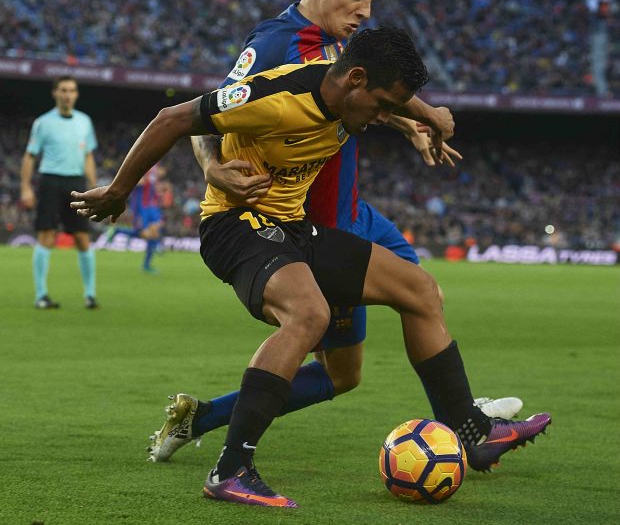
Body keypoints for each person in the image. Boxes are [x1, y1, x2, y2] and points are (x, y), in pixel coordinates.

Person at [71, 26, 551, 508]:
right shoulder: (275, 97)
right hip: (236, 225)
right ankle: (231, 469)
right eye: (383, 104)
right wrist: (118, 192)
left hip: (294, 228)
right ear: (355, 79)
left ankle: (471, 435)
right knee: (309, 314)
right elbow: (171, 118)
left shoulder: (350, 91)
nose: (385, 116)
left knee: (420, 290)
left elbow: (391, 102)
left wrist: (427, 115)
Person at [145, 0, 521, 463]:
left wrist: (410, 120)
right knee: (342, 374)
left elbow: (360, 92)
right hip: (313, 224)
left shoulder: (344, 45)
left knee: (421, 296)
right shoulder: (276, 44)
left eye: (371, 1)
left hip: (355, 212)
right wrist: (213, 169)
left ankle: (465, 424)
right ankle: (209, 423)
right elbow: (202, 115)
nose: (364, 12)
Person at [20, 75, 99, 309]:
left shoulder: (85, 121)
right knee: (46, 236)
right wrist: (25, 187)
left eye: (71, 90)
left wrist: (94, 187)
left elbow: (89, 156)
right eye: (63, 90)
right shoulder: (43, 122)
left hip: (76, 183)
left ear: (76, 94)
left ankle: (90, 294)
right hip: (51, 181)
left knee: (83, 238)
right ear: (55, 93)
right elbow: (30, 155)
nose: (67, 94)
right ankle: (41, 295)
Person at [107, 164, 165, 272]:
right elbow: (135, 182)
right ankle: (118, 231)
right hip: (140, 207)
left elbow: (161, 173)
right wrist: (147, 178)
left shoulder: (153, 165)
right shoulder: (139, 166)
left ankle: (148, 262)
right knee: (145, 234)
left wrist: (157, 181)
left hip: (152, 205)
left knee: (156, 230)